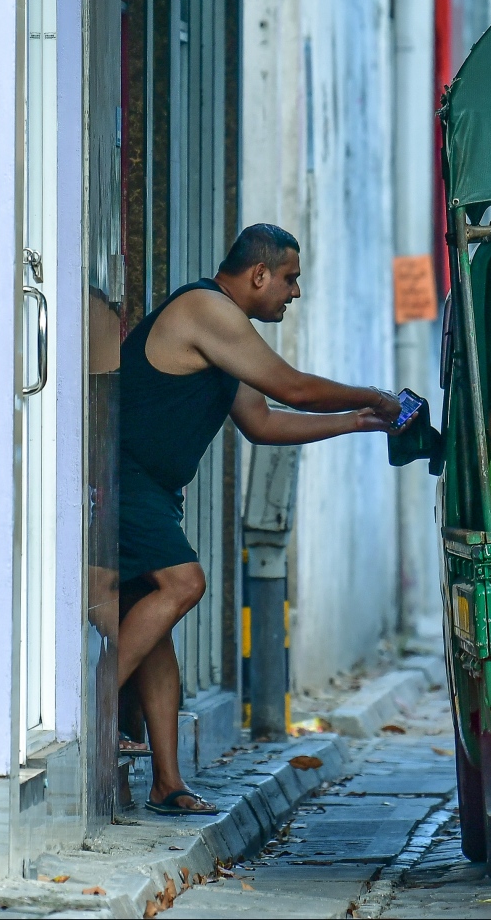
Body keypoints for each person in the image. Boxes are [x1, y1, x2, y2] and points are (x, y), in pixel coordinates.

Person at [118, 223, 411, 815]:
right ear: (259, 274)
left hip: (152, 487)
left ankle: (167, 783)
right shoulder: (205, 308)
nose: (294, 292)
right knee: (183, 584)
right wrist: (376, 396)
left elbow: (264, 421)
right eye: (290, 279)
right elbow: (294, 388)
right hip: (122, 478)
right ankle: (91, 713)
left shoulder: (230, 331)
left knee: (157, 624)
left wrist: (355, 421)